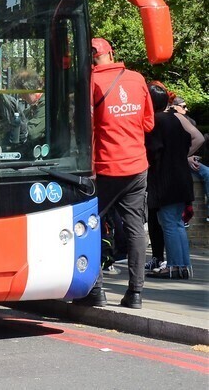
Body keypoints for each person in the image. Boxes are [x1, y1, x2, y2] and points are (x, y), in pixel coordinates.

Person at [79, 37, 154, 309]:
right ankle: (135, 294)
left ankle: (95, 290)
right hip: (137, 166)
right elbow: (148, 123)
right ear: (111, 53)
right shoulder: (136, 78)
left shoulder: (90, 83)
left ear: (90, 57)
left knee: (90, 224)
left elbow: (85, 130)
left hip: (105, 168)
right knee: (135, 227)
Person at [145, 82, 205, 279]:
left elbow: (152, 152)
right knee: (177, 223)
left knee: (169, 223)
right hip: (181, 177)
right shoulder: (177, 118)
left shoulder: (155, 122)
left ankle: (172, 266)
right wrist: (181, 155)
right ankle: (183, 266)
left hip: (166, 180)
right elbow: (198, 138)